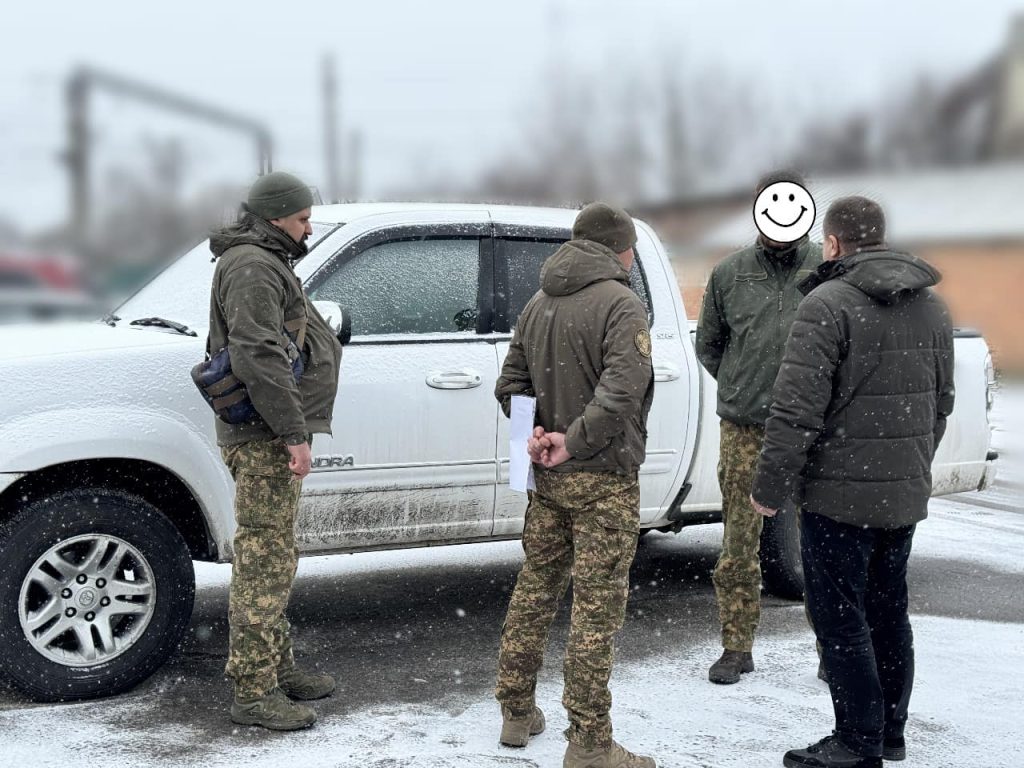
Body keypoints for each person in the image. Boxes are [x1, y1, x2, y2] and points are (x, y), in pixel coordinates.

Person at [750, 196, 954, 768]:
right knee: (889, 611)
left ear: (833, 243)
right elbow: (942, 405)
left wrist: (768, 488)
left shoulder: (827, 304)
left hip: (837, 497)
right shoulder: (932, 308)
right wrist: (907, 466)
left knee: (841, 619)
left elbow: (795, 412)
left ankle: (857, 742)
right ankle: (889, 732)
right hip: (900, 492)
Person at [493, 202, 656, 768]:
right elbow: (623, 388)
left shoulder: (538, 302)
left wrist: (534, 435)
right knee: (595, 606)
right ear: (621, 249)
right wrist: (575, 440)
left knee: (536, 587)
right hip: (603, 477)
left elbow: (511, 381)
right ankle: (589, 744)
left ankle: (516, 711)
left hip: (546, 475)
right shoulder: (622, 303)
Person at [207, 171, 343, 730]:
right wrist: (293, 432)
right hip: (264, 435)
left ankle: (275, 667)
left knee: (276, 556)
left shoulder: (267, 260)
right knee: (263, 561)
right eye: (303, 218)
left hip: (272, 431)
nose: (308, 226)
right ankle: (253, 691)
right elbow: (259, 354)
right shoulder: (252, 266)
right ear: (275, 217)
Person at [694, 170, 821, 684]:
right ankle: (736, 646)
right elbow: (710, 345)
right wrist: (745, 385)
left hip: (813, 429)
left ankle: (831, 651)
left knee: (821, 543)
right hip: (745, 429)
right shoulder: (730, 274)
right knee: (739, 545)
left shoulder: (828, 270)